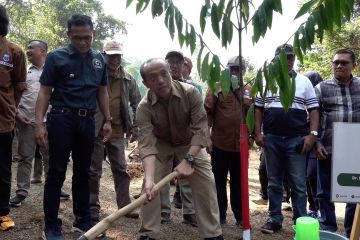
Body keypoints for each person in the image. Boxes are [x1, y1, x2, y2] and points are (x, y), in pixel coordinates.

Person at [35, 14, 111, 240]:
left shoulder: (99, 59)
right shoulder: (57, 57)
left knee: (83, 172)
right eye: (77, 38)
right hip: (61, 118)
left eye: (87, 37)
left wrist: (108, 120)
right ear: (69, 35)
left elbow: (102, 91)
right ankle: (51, 226)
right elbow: (45, 91)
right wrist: (39, 124)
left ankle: (83, 220)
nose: (83, 42)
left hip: (87, 120)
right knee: (57, 171)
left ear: (93, 34)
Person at [137, 58, 223, 240]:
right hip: (161, 145)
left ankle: (212, 234)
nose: (160, 80)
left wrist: (189, 159)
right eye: (153, 78)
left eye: (163, 74)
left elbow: (201, 129)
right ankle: (148, 234)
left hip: (189, 143)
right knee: (149, 188)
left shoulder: (190, 93)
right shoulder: (143, 108)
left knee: (206, 182)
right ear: (146, 83)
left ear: (170, 73)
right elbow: (146, 145)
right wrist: (150, 179)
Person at [254, 44, 319, 234]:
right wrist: (257, 133)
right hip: (272, 139)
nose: (287, 61)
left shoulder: (304, 81)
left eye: (290, 57)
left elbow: (314, 109)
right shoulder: (267, 81)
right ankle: (274, 219)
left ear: (294, 59)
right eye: (283, 58)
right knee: (274, 182)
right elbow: (258, 108)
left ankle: (300, 222)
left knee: (298, 183)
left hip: (297, 139)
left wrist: (312, 135)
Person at [9, 40, 70, 208]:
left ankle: (55, 188)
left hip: (50, 121)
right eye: (27, 48)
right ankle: (21, 192)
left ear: (43, 51)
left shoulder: (54, 71)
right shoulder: (23, 72)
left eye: (31, 48)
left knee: (51, 157)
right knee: (24, 157)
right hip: (26, 120)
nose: (27, 51)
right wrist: (17, 114)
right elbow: (13, 94)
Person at [89, 40, 141, 222]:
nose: (114, 59)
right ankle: (92, 207)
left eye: (117, 56)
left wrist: (135, 127)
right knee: (93, 170)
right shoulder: (94, 75)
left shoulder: (128, 79)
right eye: (111, 56)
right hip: (95, 129)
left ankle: (125, 207)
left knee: (120, 168)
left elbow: (138, 104)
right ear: (104, 55)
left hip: (118, 130)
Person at [204, 56, 252, 226]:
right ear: (227, 70)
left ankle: (240, 216)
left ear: (244, 71)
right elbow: (208, 113)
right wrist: (207, 138)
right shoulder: (217, 87)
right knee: (218, 181)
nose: (235, 72)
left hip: (241, 145)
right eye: (232, 68)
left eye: (239, 69)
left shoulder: (249, 89)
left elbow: (254, 115)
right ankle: (220, 215)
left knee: (239, 182)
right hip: (220, 143)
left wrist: (253, 137)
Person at [315, 49, 358, 238]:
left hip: (356, 151)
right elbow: (312, 118)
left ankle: (351, 232)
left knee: (354, 194)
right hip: (327, 149)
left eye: (344, 62)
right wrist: (316, 142)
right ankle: (328, 230)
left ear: (353, 65)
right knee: (324, 193)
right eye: (336, 62)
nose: (339, 65)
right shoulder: (321, 88)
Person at [158, 50, 197, 227]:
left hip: (184, 139)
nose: (174, 65)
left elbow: (198, 116)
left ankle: (189, 213)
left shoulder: (192, 88)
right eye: (170, 62)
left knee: (187, 176)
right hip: (163, 139)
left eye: (178, 62)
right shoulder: (158, 85)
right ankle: (163, 212)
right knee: (162, 177)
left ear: (184, 66)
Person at [0, 4, 27, 231]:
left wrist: (10, 108)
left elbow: (19, 87)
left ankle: (2, 213)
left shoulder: (14, 52)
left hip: (3, 121)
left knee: (2, 168)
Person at [304, 71, 323, 218]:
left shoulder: (321, 97)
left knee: (312, 174)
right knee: (306, 176)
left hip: (317, 141)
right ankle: (313, 207)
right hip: (302, 140)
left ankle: (318, 206)